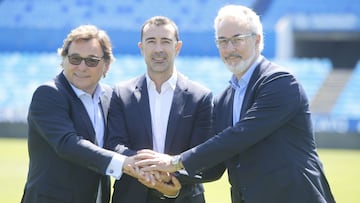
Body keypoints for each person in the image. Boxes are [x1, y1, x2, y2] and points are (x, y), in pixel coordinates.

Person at [135, 5, 336, 203]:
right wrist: (171, 178)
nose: (230, 49)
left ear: (257, 40)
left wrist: (174, 162)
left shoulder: (280, 82)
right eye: (222, 41)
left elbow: (240, 136)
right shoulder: (224, 99)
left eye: (237, 40)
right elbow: (214, 165)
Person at [20, 25, 176, 203]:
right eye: (75, 59)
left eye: (92, 61)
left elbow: (116, 143)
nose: (82, 67)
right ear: (63, 60)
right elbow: (68, 143)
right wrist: (125, 163)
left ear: (106, 66)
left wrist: (151, 166)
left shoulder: (110, 97)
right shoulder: (49, 94)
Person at [105, 16, 223, 203]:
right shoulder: (121, 93)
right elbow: (114, 144)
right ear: (141, 48)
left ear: (177, 47)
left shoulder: (200, 96)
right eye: (151, 41)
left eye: (166, 42)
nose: (158, 49)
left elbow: (203, 155)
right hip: (130, 196)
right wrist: (152, 168)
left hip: (183, 197)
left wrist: (169, 172)